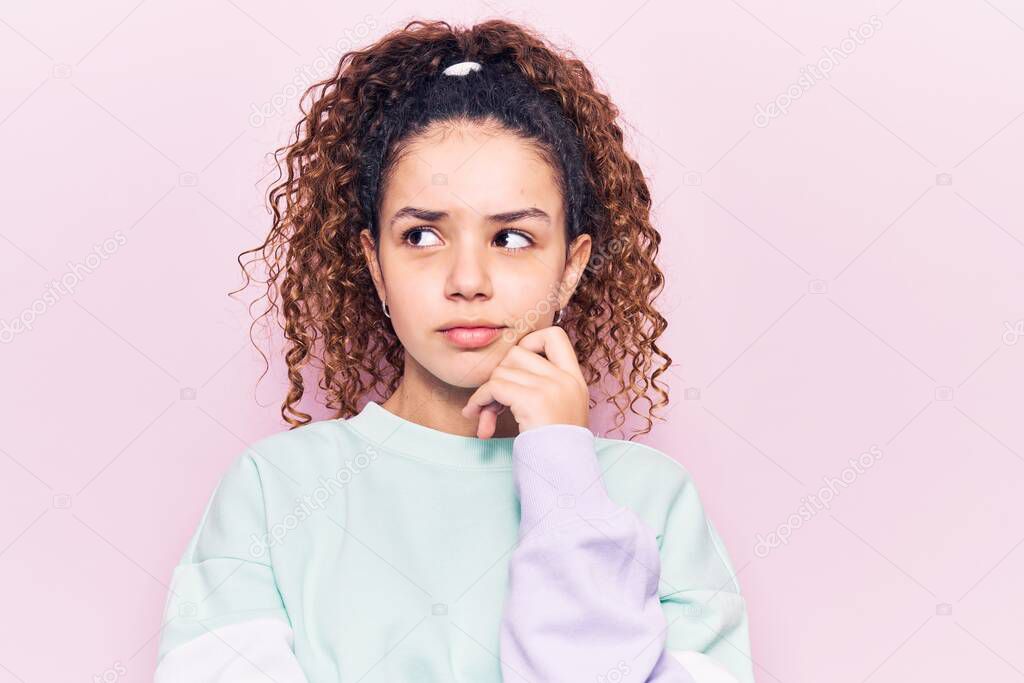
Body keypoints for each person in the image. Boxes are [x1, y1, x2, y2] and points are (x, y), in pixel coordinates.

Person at [153, 18, 755, 683]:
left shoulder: (653, 499)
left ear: (571, 266)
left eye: (513, 238)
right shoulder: (272, 492)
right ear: (374, 263)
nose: (467, 281)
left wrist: (562, 467)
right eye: (421, 236)